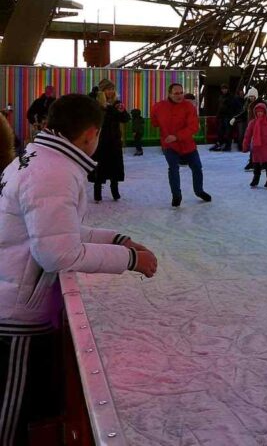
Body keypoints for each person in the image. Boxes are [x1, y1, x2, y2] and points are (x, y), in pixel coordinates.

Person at [0, 94, 157, 444]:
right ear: (90, 134)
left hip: (15, 300)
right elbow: (57, 252)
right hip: (15, 316)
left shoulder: (41, 159)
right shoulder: (52, 172)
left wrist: (117, 240)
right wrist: (130, 260)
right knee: (10, 419)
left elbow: (54, 229)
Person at [152, 83, 212, 207]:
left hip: (187, 144)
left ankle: (199, 191)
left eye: (181, 93)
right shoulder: (159, 107)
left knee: (196, 167)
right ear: (169, 94)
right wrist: (165, 134)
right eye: (176, 93)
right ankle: (176, 196)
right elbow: (154, 122)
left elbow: (193, 127)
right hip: (170, 145)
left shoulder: (189, 107)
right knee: (173, 169)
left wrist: (176, 136)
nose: (179, 95)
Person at [88, 79, 129, 202]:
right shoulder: (96, 104)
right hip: (99, 140)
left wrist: (121, 111)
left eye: (112, 89)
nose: (111, 91)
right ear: (102, 91)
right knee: (99, 167)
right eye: (108, 89)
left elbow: (126, 118)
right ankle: (97, 193)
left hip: (114, 140)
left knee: (115, 166)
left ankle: (115, 191)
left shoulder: (117, 103)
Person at [242, 102, 267, 188]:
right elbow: (247, 135)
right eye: (258, 112)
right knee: (256, 165)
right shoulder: (253, 123)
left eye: (261, 112)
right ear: (255, 112)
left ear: (264, 112)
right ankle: (255, 180)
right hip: (256, 147)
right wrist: (245, 145)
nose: (259, 113)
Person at [212, 84, 241, 152]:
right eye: (223, 89)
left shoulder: (232, 97)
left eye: (225, 89)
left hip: (228, 117)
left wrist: (234, 116)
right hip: (222, 117)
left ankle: (228, 146)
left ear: (227, 89)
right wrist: (217, 116)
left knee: (228, 132)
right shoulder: (220, 97)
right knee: (220, 132)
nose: (224, 90)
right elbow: (219, 108)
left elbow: (238, 107)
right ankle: (220, 144)